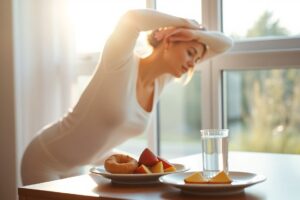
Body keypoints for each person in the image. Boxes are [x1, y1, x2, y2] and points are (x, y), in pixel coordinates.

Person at [21, 9, 233, 185]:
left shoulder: (161, 81)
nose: (192, 64)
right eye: (189, 53)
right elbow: (131, 19)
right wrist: (184, 24)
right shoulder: (120, 61)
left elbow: (225, 44)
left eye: (197, 59)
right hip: (45, 159)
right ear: (169, 41)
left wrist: (195, 36)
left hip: (81, 165)